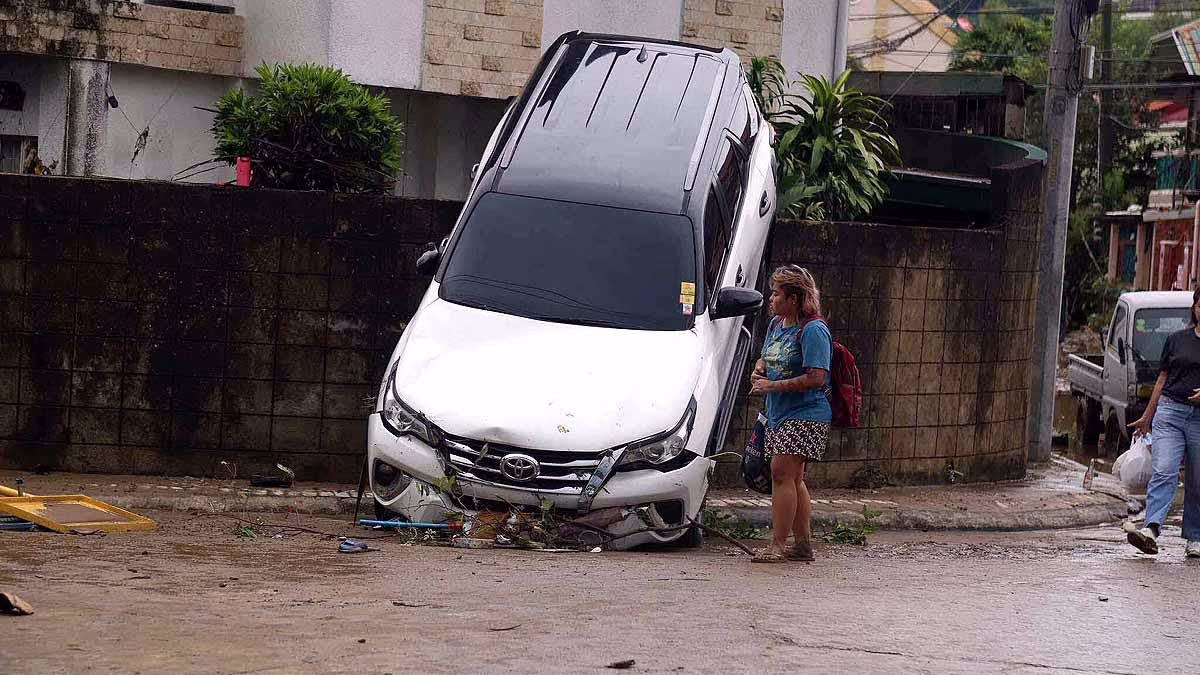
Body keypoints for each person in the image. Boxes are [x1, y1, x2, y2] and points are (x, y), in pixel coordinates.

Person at [749, 265, 831, 563]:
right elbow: (766, 355)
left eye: (777, 293)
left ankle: (778, 545)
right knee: (793, 479)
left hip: (807, 413)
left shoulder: (814, 330)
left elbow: (817, 377)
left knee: (781, 474)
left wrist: (773, 385)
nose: (771, 299)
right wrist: (760, 369)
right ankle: (803, 544)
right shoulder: (776, 325)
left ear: (794, 299)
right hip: (777, 413)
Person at [1126, 288, 1200, 558]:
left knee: (1198, 479)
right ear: (1195, 308)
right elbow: (1162, 380)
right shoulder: (1176, 340)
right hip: (1169, 413)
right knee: (1165, 470)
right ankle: (1151, 529)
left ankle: (1195, 537)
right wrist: (1147, 417)